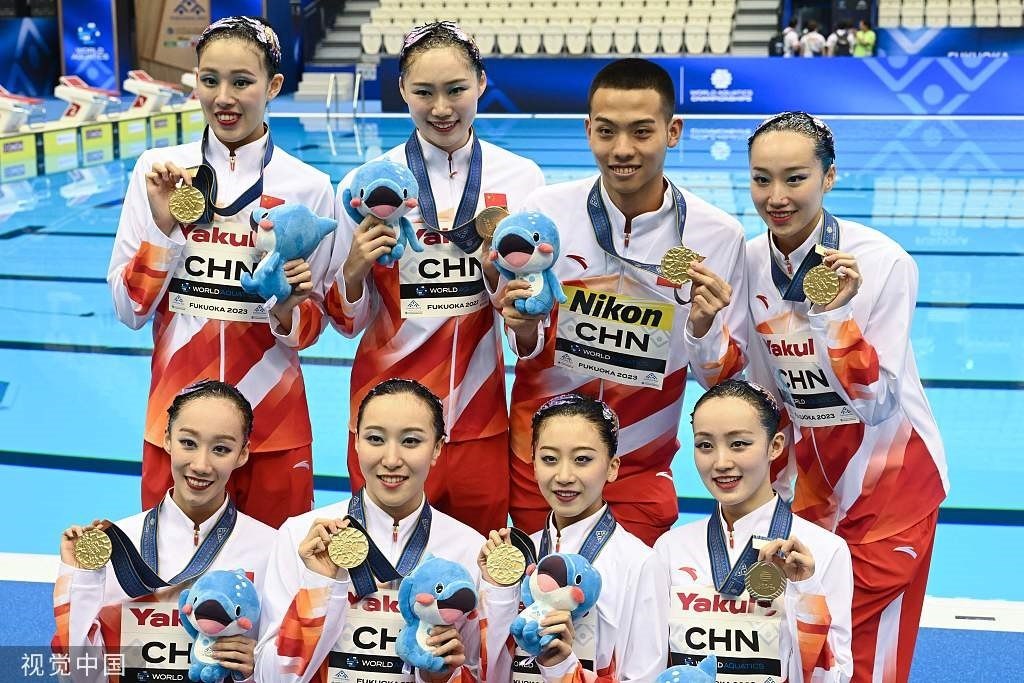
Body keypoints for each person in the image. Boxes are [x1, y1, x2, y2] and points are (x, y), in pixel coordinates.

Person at [499, 58, 748, 546]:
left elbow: (722, 379)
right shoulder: (544, 214)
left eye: (641, 131)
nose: (622, 149)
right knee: (537, 590)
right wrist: (523, 327)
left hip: (639, 464)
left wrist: (702, 329)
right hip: (542, 460)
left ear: (673, 132)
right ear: (588, 130)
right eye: (607, 131)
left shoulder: (717, 234)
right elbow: (524, 343)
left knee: (632, 593)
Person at [107, 15, 337, 528]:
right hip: (178, 429)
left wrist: (286, 310)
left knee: (277, 570)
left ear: (273, 86)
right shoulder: (158, 173)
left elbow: (315, 325)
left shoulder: (309, 187)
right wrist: (164, 230)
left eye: (242, 81)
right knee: (172, 569)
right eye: (210, 80)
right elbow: (129, 310)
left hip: (273, 426)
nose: (224, 98)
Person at [743, 112, 948, 683]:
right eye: (761, 179)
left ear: (829, 177)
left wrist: (835, 318)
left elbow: (878, 402)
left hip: (890, 493)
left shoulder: (883, 263)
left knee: (863, 658)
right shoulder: (750, 260)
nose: (776, 197)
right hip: (808, 493)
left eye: (795, 178)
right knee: (801, 648)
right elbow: (762, 390)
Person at [326, 21, 545, 535]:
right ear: (403, 89)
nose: (441, 107)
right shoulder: (365, 183)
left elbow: (528, 324)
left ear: (481, 83)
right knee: (381, 561)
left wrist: (503, 286)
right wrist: (355, 266)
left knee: (478, 560)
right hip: (386, 421)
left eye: (456, 89)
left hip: (477, 417)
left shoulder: (522, 179)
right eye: (424, 92)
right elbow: (346, 322)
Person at [254, 378, 485, 682]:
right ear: (356, 442)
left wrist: (441, 677)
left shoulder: (468, 548)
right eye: (375, 439)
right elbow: (272, 678)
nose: (391, 460)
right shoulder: (301, 538)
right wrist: (321, 585)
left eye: (411, 441)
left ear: (437, 448)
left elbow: (480, 673)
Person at [53, 380, 275, 682]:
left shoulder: (271, 549)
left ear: (242, 453)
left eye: (221, 449)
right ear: (167, 439)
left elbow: (287, 672)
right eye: (188, 443)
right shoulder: (118, 545)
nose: (201, 465)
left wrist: (255, 670)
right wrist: (79, 579)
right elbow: (79, 675)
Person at [654, 380, 853, 682]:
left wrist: (806, 590)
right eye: (705, 445)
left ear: (775, 446)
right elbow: (652, 664)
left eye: (739, 444)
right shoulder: (670, 548)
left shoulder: (825, 551)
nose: (721, 462)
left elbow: (833, 678)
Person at [478, 394, 667, 683]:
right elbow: (490, 673)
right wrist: (497, 591)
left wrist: (562, 668)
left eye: (582, 459)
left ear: (613, 467)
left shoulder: (639, 563)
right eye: (549, 459)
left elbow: (645, 678)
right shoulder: (518, 555)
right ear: (533, 465)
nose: (564, 476)